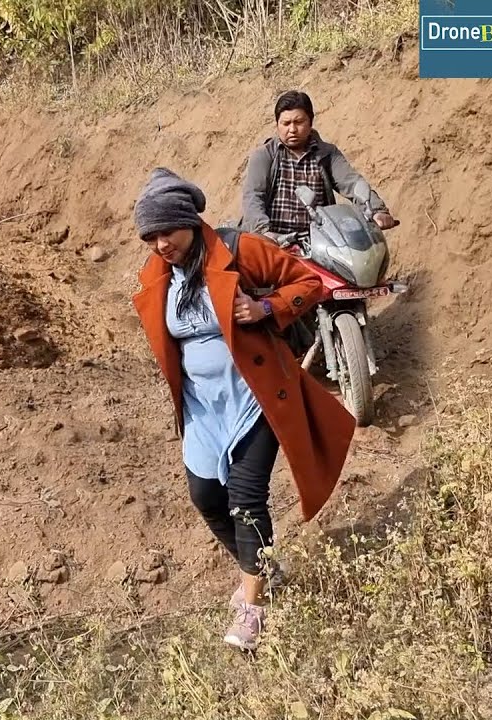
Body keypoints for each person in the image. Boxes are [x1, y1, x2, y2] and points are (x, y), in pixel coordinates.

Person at [130, 168, 355, 650]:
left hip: (254, 396)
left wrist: (268, 309)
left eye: (167, 231)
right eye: (150, 236)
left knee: (245, 497)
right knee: (206, 497)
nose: (160, 244)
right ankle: (262, 569)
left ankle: (253, 610)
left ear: (188, 221)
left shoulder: (239, 249)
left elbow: (308, 281)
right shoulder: (159, 275)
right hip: (202, 406)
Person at [240, 90, 396, 241]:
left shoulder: (326, 153)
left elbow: (352, 182)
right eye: (286, 123)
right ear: (277, 125)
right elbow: (253, 196)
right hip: (276, 242)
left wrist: (377, 211)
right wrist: (263, 232)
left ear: (311, 121)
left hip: (319, 243)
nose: (292, 129)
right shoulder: (264, 155)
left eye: (299, 122)